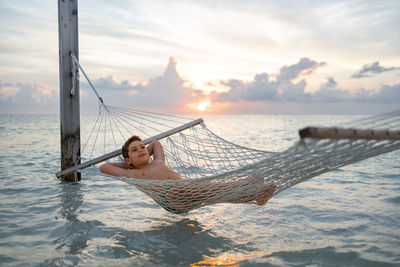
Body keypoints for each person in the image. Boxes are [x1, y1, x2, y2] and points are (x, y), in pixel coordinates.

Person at [100, 135, 275, 212]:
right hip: (173, 195)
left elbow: (155, 143)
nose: (141, 150)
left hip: (185, 192)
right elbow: (104, 167)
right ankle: (249, 184)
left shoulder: (158, 161)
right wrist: (127, 164)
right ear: (128, 160)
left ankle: (256, 195)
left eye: (142, 147)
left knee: (219, 194)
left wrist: (140, 152)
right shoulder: (134, 174)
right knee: (214, 187)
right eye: (134, 150)